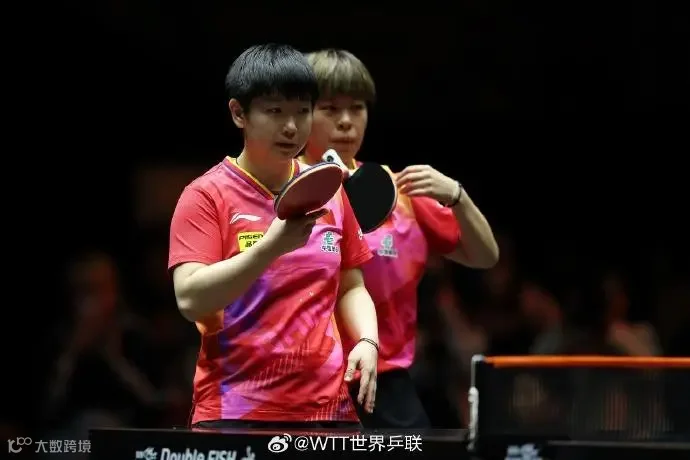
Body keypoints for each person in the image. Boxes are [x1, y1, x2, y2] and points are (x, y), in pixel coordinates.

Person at [168, 44, 379, 429]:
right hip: (236, 411)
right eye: (275, 111)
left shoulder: (329, 189)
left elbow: (352, 285)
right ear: (239, 113)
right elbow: (190, 298)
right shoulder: (206, 196)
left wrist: (367, 340)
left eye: (302, 111)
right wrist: (271, 248)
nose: (292, 127)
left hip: (327, 411)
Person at [301, 48, 499, 428]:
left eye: (357, 108)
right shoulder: (279, 193)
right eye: (330, 108)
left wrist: (457, 196)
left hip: (385, 385)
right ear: (302, 114)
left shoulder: (400, 193)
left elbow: (484, 256)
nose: (346, 121)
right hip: (300, 385)